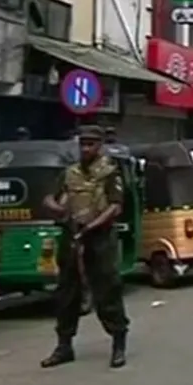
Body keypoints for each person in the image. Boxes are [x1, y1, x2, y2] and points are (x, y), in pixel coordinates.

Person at [40, 125, 131, 369]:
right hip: (71, 236)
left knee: (107, 290)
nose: (86, 148)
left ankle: (118, 342)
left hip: (99, 237)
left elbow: (116, 206)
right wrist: (58, 209)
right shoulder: (69, 173)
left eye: (91, 144)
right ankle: (64, 346)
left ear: (100, 146)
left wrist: (92, 226)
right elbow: (49, 197)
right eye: (83, 144)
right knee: (66, 292)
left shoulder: (110, 172)